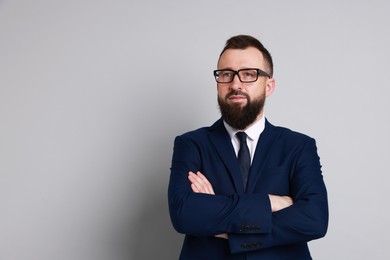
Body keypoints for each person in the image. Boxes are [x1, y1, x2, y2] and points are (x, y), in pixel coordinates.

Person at [168, 35, 328, 260]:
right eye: (226, 74)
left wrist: (218, 215)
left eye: (248, 74)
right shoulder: (191, 144)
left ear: (269, 85)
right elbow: (183, 215)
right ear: (218, 83)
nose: (235, 84)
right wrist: (272, 202)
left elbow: (315, 220)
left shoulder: (299, 146)